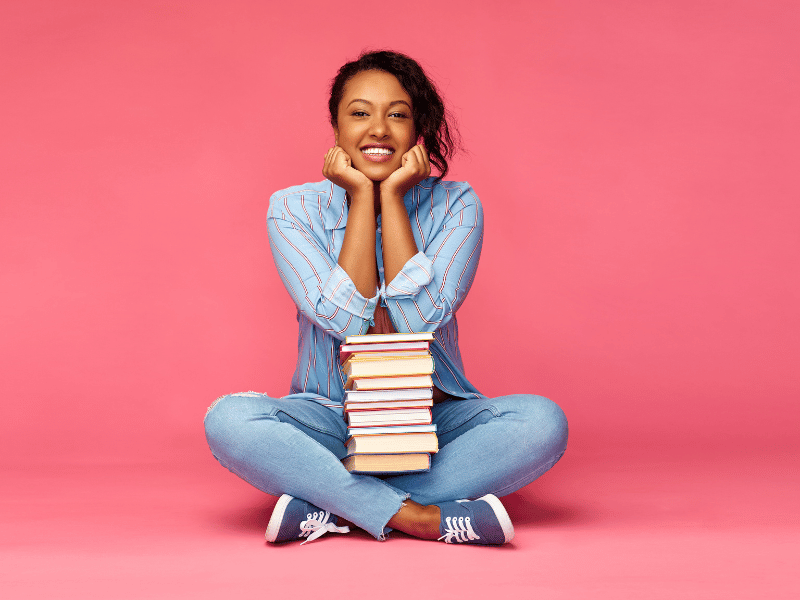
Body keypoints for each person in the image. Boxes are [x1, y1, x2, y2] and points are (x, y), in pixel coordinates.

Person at [204, 50, 568, 545]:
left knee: (541, 423)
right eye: (360, 113)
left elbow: (418, 318)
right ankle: (420, 517)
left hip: (434, 416)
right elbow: (346, 322)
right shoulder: (292, 208)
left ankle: (332, 504)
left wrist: (392, 199)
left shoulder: (458, 203)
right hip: (331, 417)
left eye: (397, 114)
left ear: (417, 129)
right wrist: (359, 197)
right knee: (228, 420)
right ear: (334, 126)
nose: (378, 128)